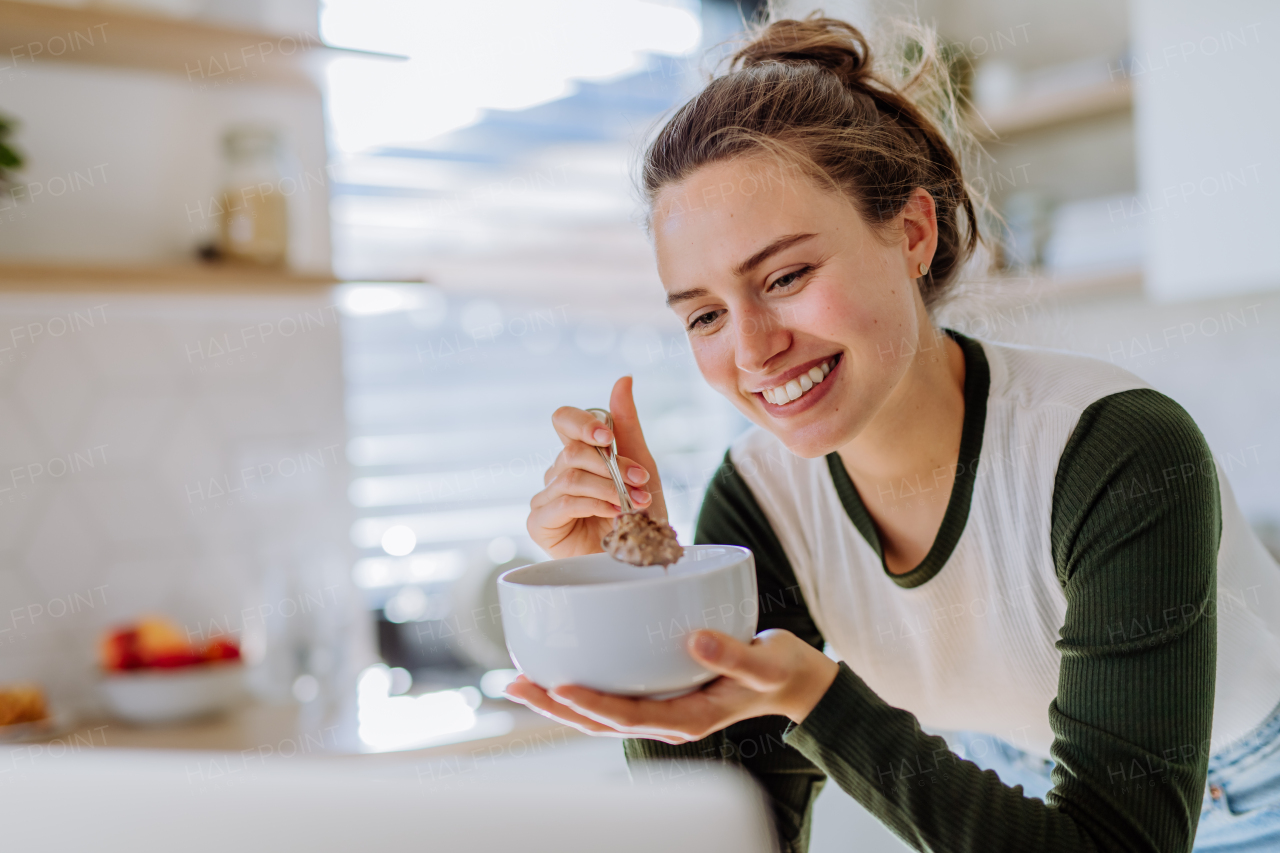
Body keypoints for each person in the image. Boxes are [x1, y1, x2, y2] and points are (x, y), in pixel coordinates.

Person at [509, 15, 1280, 853]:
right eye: (704, 314)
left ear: (913, 232)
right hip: (1011, 804)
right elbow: (741, 828)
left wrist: (819, 698)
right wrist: (622, 593)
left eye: (787, 276)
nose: (754, 348)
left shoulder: (1115, 451)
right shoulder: (762, 497)